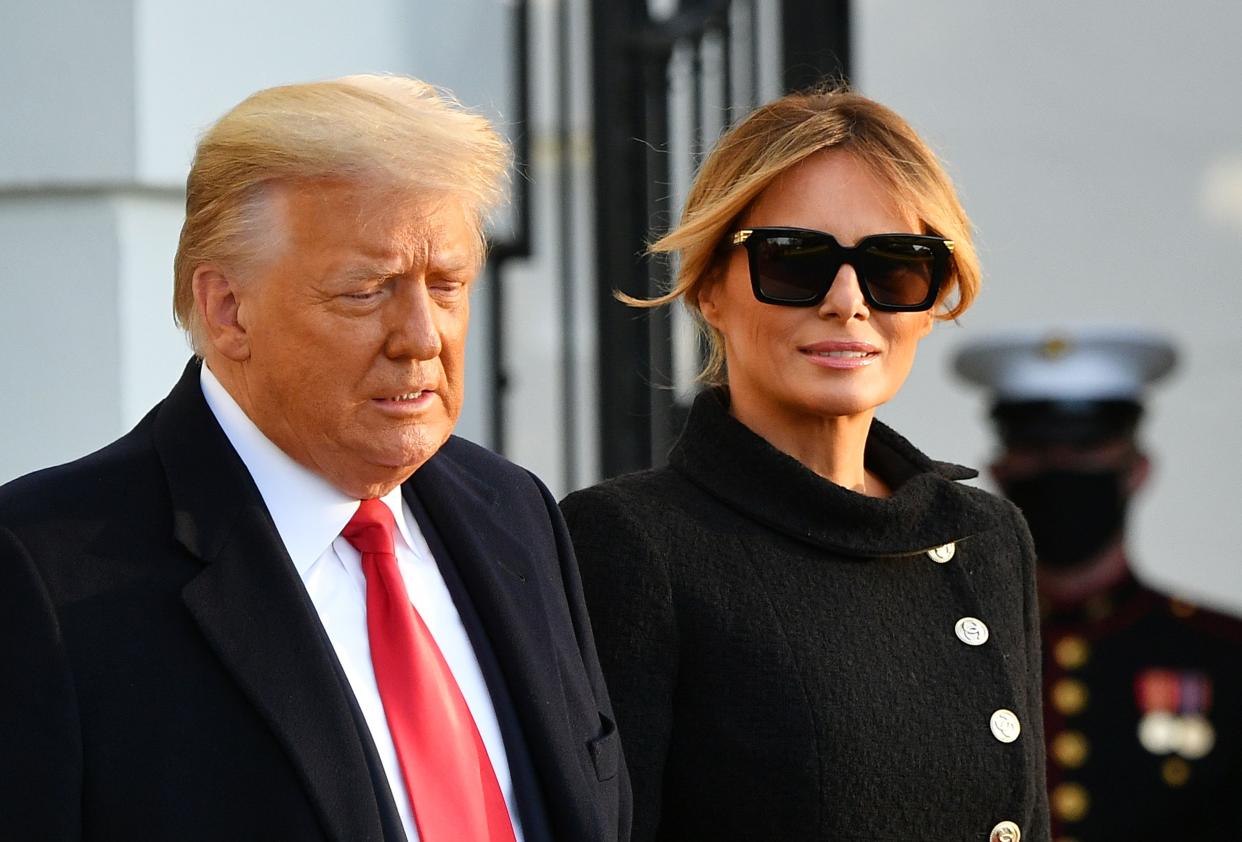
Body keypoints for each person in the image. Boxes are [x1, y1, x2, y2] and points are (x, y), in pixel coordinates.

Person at [0, 75, 629, 842]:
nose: (423, 337)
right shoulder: (44, 570)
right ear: (227, 309)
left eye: (447, 284)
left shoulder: (516, 512)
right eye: (367, 291)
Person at [560, 88, 1049, 842]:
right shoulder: (631, 541)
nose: (849, 301)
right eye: (795, 261)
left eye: (896, 266)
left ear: (931, 299)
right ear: (710, 288)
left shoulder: (985, 536)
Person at [954, 326, 1242, 841]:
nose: (1060, 466)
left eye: (1086, 445)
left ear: (1137, 469)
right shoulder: (948, 649)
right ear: (1000, 472)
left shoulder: (1225, 655)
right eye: (1036, 446)